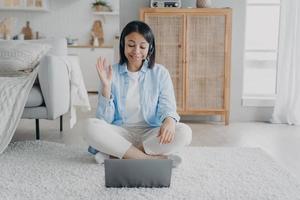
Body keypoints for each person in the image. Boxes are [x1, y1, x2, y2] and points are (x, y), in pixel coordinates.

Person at [83, 21, 192, 167]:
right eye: (131, 45)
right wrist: (106, 87)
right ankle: (149, 159)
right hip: (121, 133)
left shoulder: (160, 73)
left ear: (150, 48)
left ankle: (119, 155)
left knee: (184, 132)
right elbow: (104, 120)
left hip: (151, 133)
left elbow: (168, 106)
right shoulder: (111, 72)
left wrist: (169, 121)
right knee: (90, 126)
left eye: (142, 46)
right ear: (123, 45)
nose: (136, 51)